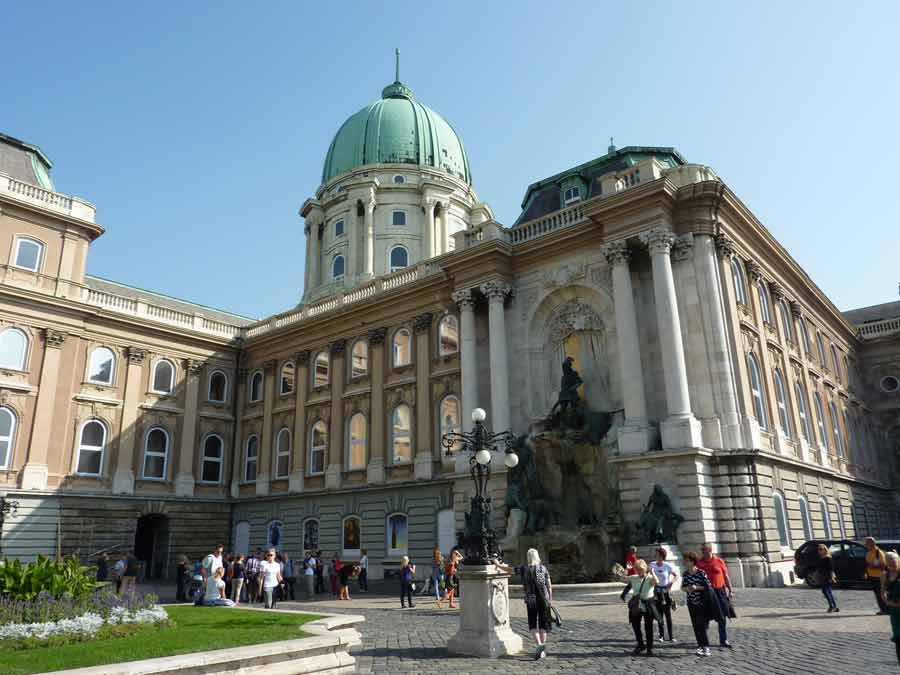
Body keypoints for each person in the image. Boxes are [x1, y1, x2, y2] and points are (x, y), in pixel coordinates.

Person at [499, 548, 553, 660]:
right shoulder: (543, 568)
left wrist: (497, 565)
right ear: (537, 557)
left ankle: (539, 645)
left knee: (533, 624)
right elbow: (549, 585)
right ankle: (542, 649)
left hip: (531, 599)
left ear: (528, 557)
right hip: (544, 599)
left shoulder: (524, 569)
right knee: (543, 624)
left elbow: (509, 570)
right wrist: (550, 600)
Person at [681, 551, 720, 657]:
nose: (684, 562)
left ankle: (706, 647)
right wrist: (687, 589)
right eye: (684, 560)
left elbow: (707, 586)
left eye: (687, 560)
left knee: (702, 625)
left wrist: (696, 587)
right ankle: (700, 646)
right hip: (691, 603)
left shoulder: (701, 573)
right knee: (695, 625)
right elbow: (682, 587)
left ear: (692, 562)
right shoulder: (685, 574)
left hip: (701, 602)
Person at [696, 543, 734, 648]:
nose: (702, 552)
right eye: (702, 550)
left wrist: (730, 590)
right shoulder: (699, 563)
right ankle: (703, 640)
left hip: (719, 592)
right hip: (706, 593)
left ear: (710, 550)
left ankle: (724, 640)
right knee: (705, 618)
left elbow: (726, 576)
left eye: (704, 550)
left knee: (722, 617)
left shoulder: (719, 561)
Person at [620, 559, 658, 657]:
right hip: (636, 604)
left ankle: (649, 648)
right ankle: (640, 645)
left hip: (648, 603)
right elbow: (622, 579)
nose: (639, 571)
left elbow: (656, 582)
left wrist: (652, 572)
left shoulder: (650, 578)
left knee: (648, 627)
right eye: (637, 569)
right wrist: (626, 570)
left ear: (645, 569)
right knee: (635, 625)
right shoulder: (634, 577)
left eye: (640, 569)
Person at [650, 547, 678, 641]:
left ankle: (671, 636)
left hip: (665, 592)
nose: (655, 556)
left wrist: (671, 582)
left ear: (662, 556)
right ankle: (661, 635)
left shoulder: (667, 566)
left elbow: (676, 575)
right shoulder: (652, 565)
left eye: (657, 554)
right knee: (659, 615)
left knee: (668, 615)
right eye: (655, 554)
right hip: (656, 592)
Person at [882, 551, 900, 667]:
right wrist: (887, 602)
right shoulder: (884, 575)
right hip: (895, 613)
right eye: (890, 562)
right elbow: (882, 592)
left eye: (895, 561)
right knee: (898, 640)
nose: (893, 564)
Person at [865, 537, 888, 615]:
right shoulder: (868, 552)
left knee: (881, 594)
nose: (865, 544)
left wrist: (873, 566)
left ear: (872, 543)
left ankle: (885, 610)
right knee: (877, 594)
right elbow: (868, 564)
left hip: (879, 576)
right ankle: (883, 609)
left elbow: (883, 565)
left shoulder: (879, 552)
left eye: (866, 543)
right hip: (871, 576)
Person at [816, 543, 838, 612]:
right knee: (828, 591)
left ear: (825, 550)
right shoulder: (820, 558)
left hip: (827, 576)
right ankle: (834, 606)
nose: (819, 551)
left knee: (826, 591)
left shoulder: (828, 558)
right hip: (822, 576)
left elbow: (831, 569)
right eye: (818, 549)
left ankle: (831, 606)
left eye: (820, 549)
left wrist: (832, 577)